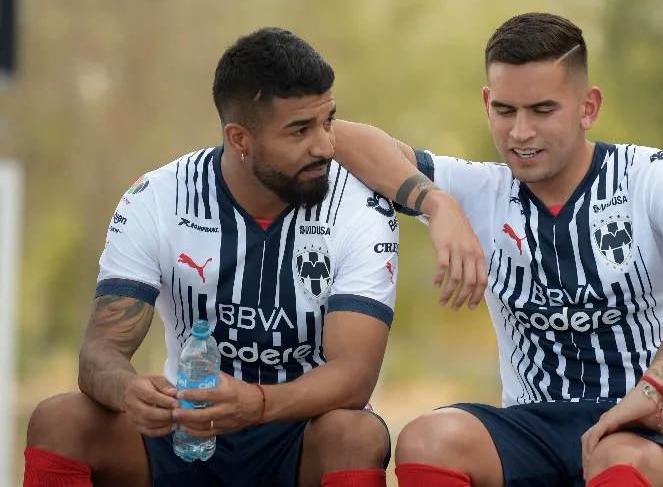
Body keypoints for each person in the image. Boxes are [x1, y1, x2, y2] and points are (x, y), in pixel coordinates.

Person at [332, 12, 663, 487]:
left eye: (543, 110)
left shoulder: (650, 175)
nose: (520, 132)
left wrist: (653, 388)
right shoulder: (479, 190)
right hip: (538, 430)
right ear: (487, 104)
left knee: (619, 458)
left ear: (588, 107)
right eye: (505, 110)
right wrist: (435, 202)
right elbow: (337, 137)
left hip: (662, 424)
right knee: (427, 439)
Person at [22, 27, 444, 487]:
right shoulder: (157, 198)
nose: (324, 145)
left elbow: (355, 376)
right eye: (300, 130)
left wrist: (256, 403)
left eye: (327, 122)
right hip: (188, 434)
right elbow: (99, 353)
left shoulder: (359, 207)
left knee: (356, 432)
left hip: (298, 435)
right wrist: (129, 390)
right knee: (60, 419)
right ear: (240, 138)